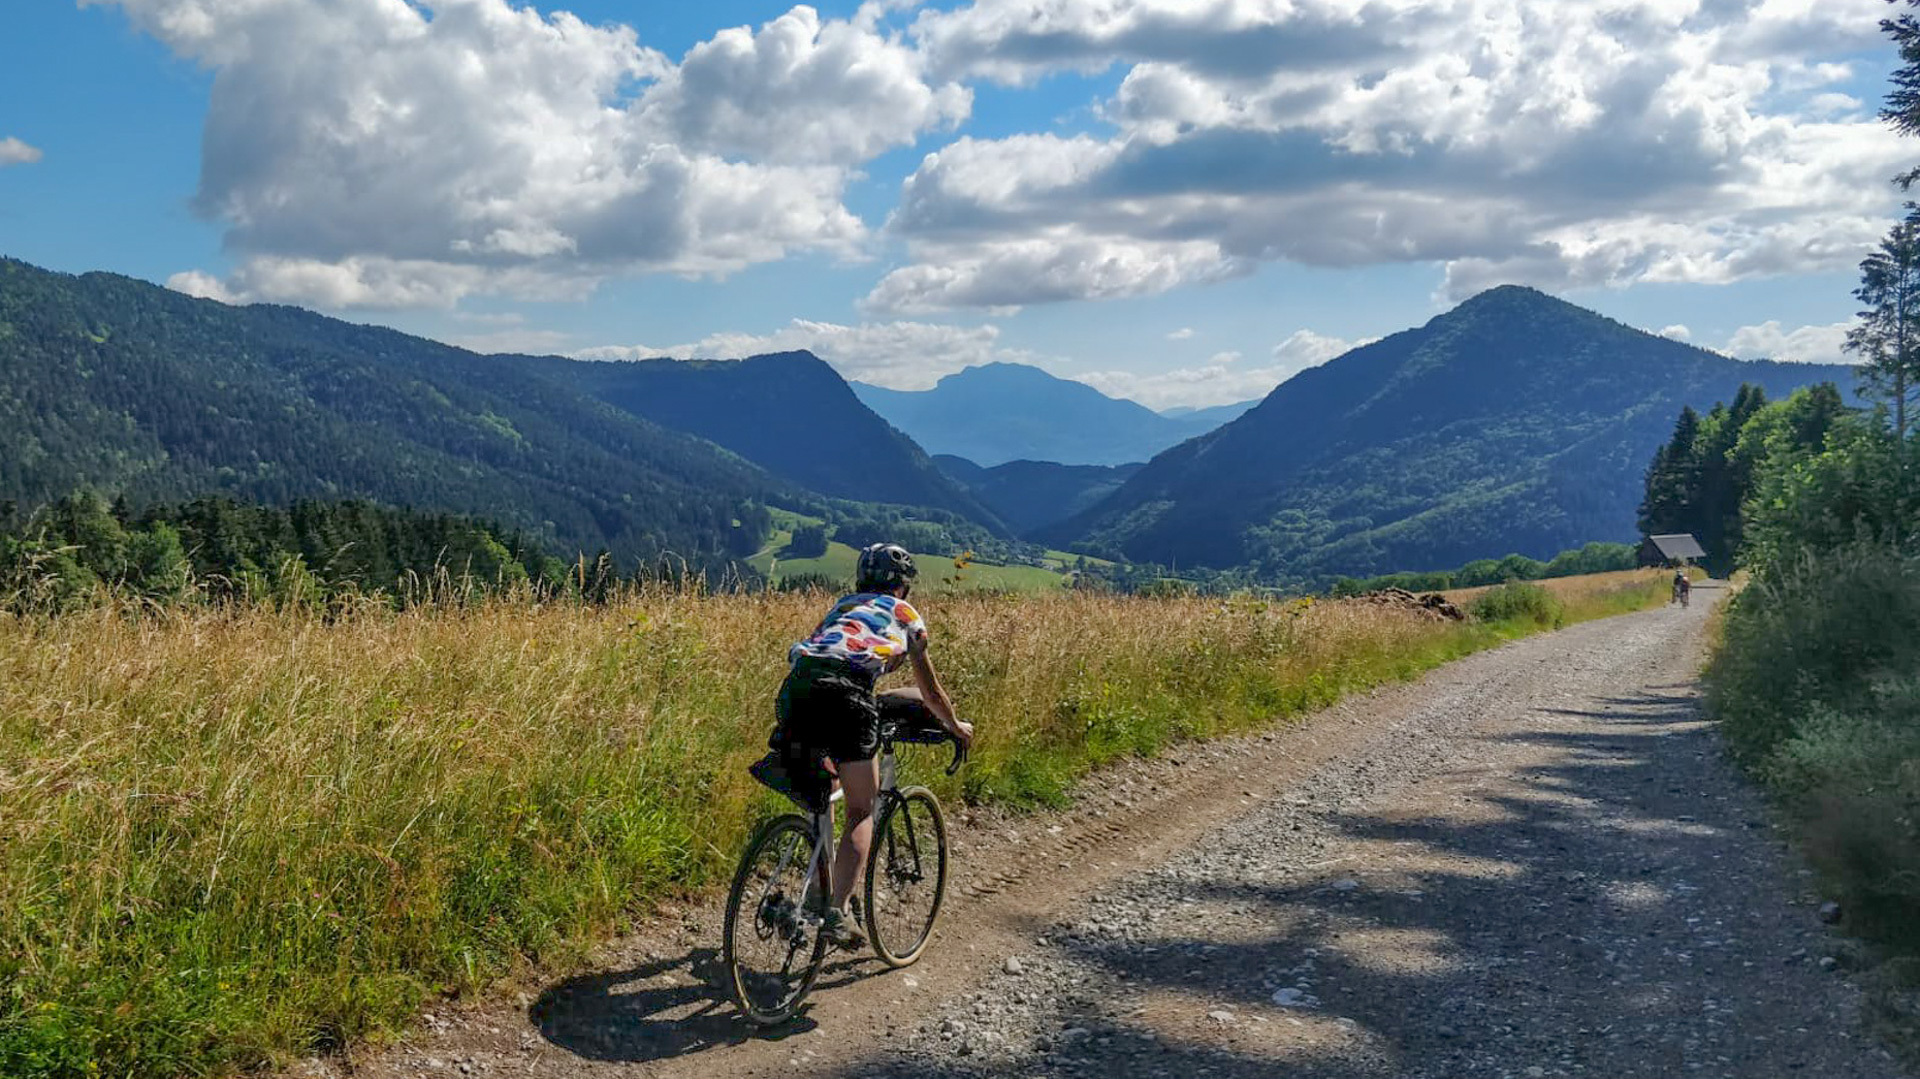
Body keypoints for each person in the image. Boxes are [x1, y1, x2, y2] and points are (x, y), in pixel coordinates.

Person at [767, 542, 972, 951]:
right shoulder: (904, 614)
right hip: (847, 697)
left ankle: (808, 889)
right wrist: (956, 726)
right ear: (903, 588)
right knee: (862, 808)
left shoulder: (842, 607)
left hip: (797, 690)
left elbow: (841, 663)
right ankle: (835, 911)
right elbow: (930, 692)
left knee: (823, 786)